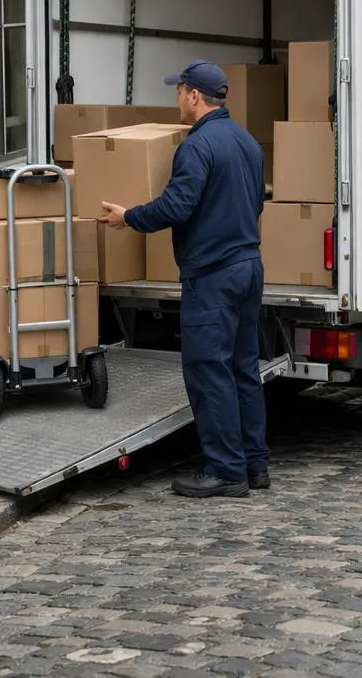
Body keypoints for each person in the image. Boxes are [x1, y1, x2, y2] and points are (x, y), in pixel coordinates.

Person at [100, 60, 269, 499]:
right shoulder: (248, 143)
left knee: (208, 372)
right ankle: (255, 465)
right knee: (243, 369)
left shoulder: (196, 147)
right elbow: (256, 204)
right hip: (249, 267)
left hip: (212, 275)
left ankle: (226, 471)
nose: (176, 98)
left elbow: (178, 206)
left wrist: (129, 217)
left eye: (179, 91)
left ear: (195, 97)